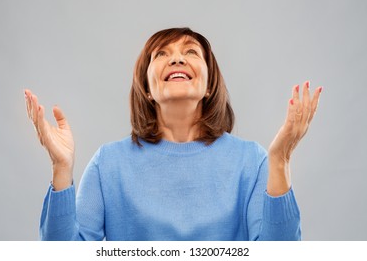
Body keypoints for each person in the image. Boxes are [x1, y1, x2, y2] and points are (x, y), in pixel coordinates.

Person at [24, 27, 322, 241]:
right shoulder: (108, 163)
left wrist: (280, 160)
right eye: (162, 54)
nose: (177, 59)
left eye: (190, 52)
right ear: (148, 89)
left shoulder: (252, 160)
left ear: (209, 85)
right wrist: (61, 169)